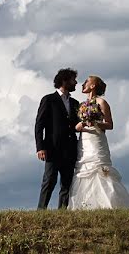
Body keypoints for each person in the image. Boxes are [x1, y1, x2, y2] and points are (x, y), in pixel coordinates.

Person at [68, 75, 129, 209]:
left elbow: (109, 124)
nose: (82, 85)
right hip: (84, 141)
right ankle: (86, 205)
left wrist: (93, 123)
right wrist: (79, 126)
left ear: (93, 85)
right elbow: (80, 124)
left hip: (96, 139)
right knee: (84, 169)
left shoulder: (101, 102)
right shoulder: (82, 105)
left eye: (86, 82)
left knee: (99, 168)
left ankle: (110, 203)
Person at [35, 68, 80, 209]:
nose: (76, 83)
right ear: (64, 80)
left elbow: (76, 125)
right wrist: (40, 147)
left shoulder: (75, 103)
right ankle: (41, 210)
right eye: (73, 80)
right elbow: (39, 125)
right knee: (49, 180)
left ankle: (62, 211)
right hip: (52, 148)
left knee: (67, 182)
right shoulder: (49, 99)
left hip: (70, 149)